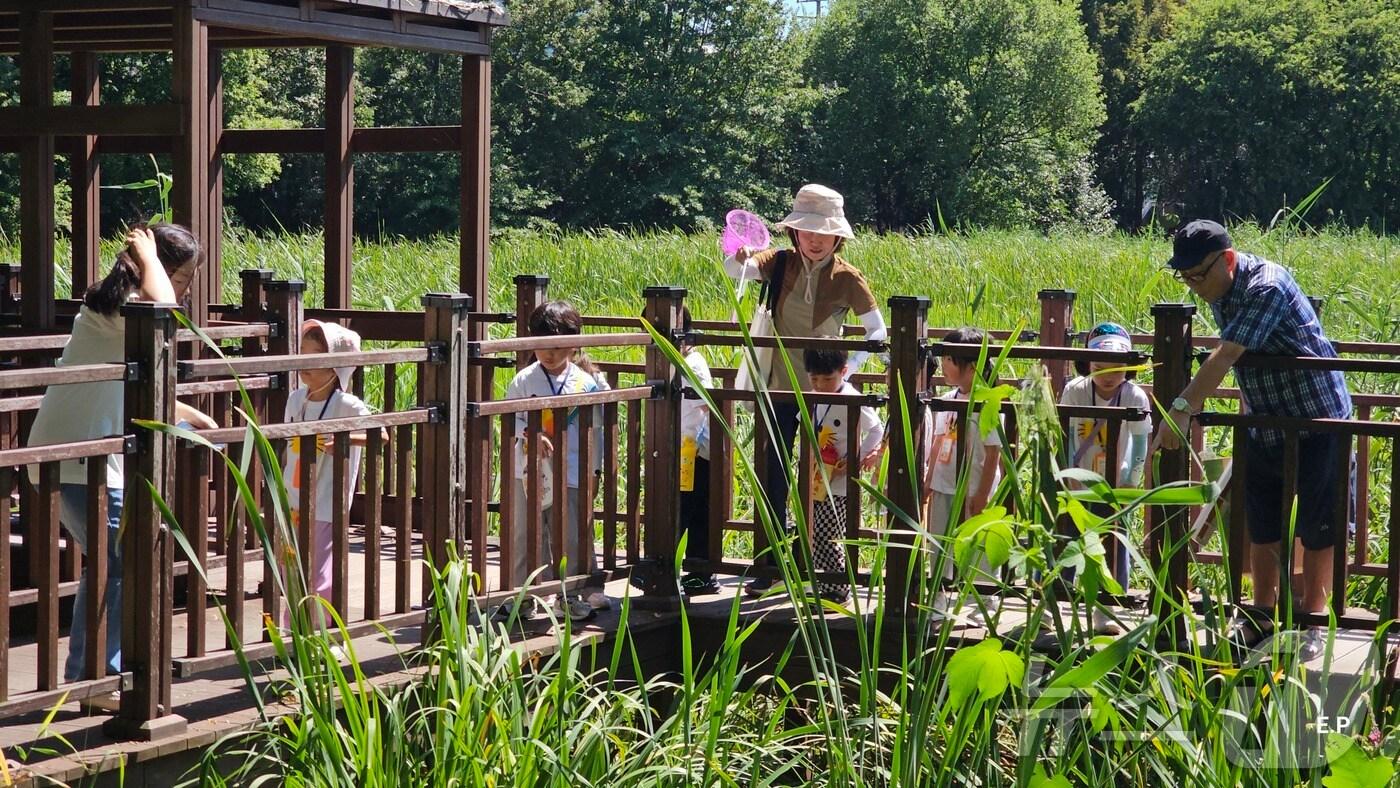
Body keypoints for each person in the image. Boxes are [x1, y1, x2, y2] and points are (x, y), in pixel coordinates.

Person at [26, 224, 216, 710]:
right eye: (187, 276)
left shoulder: (119, 308)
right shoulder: (124, 303)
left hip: (81, 458)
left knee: (113, 562)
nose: (188, 288)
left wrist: (198, 419)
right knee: (117, 563)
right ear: (162, 268)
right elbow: (163, 305)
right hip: (79, 460)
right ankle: (93, 680)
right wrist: (149, 256)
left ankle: (91, 678)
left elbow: (140, 390)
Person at [1151, 220, 1351, 647]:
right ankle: (1261, 614)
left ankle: (1311, 621)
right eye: (1184, 278)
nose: (1194, 286)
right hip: (1264, 418)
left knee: (1318, 522)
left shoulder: (1267, 286)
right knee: (1262, 520)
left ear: (1227, 259)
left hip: (1316, 417)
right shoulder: (1219, 286)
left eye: (1199, 275)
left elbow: (1227, 355)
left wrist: (1182, 410)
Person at [724, 184, 886, 595]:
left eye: (824, 233)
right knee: (772, 477)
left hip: (823, 396)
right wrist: (737, 254)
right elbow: (734, 271)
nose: (815, 240)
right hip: (778, 389)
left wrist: (845, 378)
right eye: (807, 231)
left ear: (838, 237)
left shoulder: (848, 278)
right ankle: (771, 568)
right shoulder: (780, 262)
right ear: (795, 233)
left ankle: (824, 572)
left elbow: (877, 331)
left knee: (823, 479)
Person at [503, 301, 610, 621]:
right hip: (528, 471)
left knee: (572, 534)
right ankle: (521, 596)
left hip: (573, 470)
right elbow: (512, 419)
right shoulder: (524, 380)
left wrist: (595, 470)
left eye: (559, 345)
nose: (549, 353)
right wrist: (530, 435)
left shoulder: (586, 382)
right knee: (525, 533)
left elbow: (597, 433)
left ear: (574, 343)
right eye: (542, 345)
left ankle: (570, 595)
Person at [281, 319, 375, 628]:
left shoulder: (346, 404)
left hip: (324, 502)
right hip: (292, 498)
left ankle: (318, 632)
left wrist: (343, 440)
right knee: (289, 566)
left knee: (320, 569)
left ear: (335, 367)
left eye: (315, 357)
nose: (305, 363)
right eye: (303, 354)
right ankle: (292, 628)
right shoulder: (297, 399)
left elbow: (379, 435)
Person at [1060, 322, 1151, 634]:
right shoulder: (1074, 391)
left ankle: (1108, 607)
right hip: (1080, 480)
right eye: (1100, 367)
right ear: (1087, 364)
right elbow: (1069, 435)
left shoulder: (1135, 396)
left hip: (1115, 483)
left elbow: (1140, 442)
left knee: (1113, 543)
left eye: (1117, 368)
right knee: (1069, 540)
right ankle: (1057, 601)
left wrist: (1129, 480)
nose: (1108, 375)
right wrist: (1070, 477)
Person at [800, 345, 884, 603]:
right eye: (814, 379)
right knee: (815, 531)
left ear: (844, 372)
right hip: (818, 475)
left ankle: (838, 586)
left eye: (827, 379)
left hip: (838, 479)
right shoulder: (813, 397)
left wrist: (855, 459)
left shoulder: (851, 397)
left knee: (829, 533)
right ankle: (827, 583)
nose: (820, 384)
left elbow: (876, 430)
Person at [922, 328, 1004, 584]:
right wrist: (929, 480)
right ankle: (939, 595)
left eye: (949, 360)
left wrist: (982, 493)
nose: (943, 366)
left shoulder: (986, 403)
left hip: (974, 486)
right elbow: (938, 441)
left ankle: (983, 596)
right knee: (940, 543)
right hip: (944, 483)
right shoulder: (947, 399)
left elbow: (993, 453)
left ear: (971, 366)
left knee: (978, 540)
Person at [676, 307, 719, 596]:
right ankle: (689, 569)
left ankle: (700, 572)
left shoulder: (693, 363)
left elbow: (706, 404)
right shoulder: (678, 360)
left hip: (693, 450)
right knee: (683, 508)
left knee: (690, 510)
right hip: (681, 449)